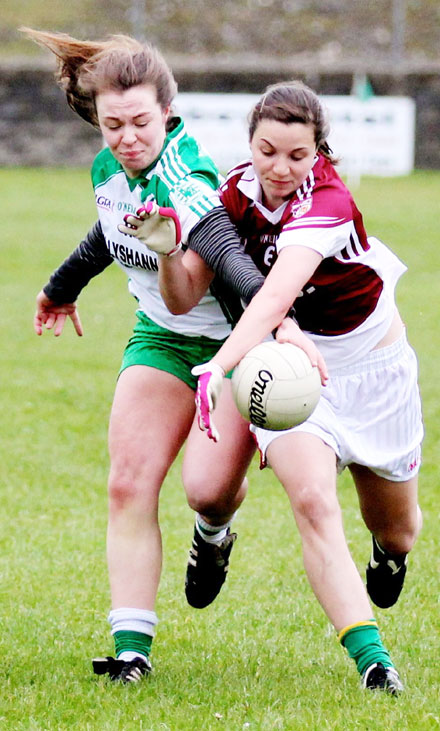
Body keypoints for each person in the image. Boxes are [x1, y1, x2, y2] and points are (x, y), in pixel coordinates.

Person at [146, 81, 424, 694]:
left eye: (297, 156)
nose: (280, 168)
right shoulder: (233, 192)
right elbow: (188, 290)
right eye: (267, 151)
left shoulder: (326, 198)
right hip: (293, 370)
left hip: (373, 373)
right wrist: (169, 255)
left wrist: (218, 364)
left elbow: (275, 292)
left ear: (318, 153)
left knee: (398, 528)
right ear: (250, 143)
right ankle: (374, 662)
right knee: (300, 502)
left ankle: (389, 552)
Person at [22, 27, 265, 684]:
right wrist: (61, 286)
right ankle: (131, 651)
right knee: (128, 482)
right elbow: (109, 232)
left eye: (140, 123)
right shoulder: (111, 167)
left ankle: (215, 531)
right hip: (159, 338)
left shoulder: (189, 178)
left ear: (168, 110)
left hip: (230, 347)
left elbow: (223, 252)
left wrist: (279, 321)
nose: (127, 138)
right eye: (113, 125)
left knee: (209, 491)